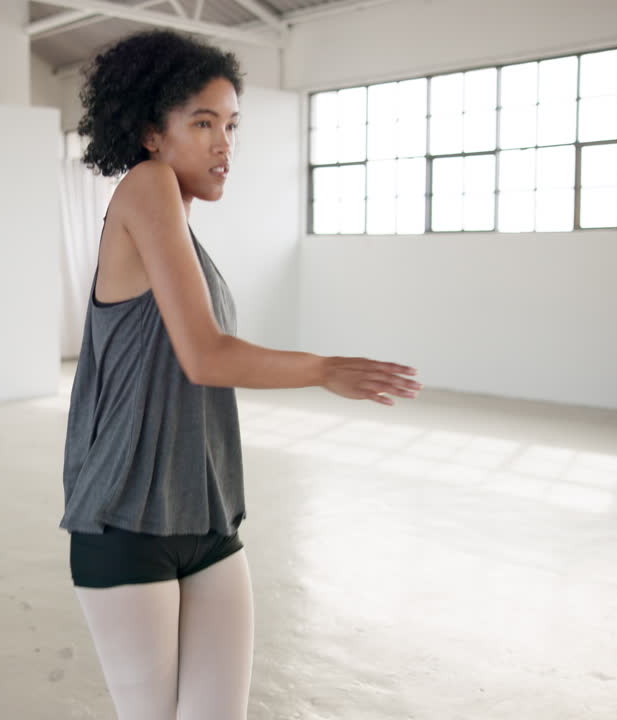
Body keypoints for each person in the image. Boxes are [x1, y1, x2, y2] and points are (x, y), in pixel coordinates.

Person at [60, 29, 423, 720]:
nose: (224, 143)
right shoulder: (146, 186)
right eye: (202, 123)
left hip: (205, 516)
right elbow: (206, 355)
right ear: (149, 133)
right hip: (124, 524)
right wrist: (324, 368)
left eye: (230, 125)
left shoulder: (187, 232)